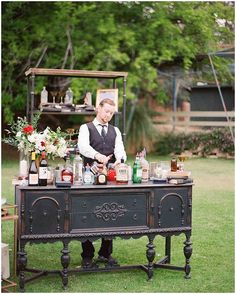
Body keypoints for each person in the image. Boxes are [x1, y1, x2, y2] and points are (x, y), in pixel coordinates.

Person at [78, 98, 127, 268]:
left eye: (111, 113)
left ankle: (106, 253)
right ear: (98, 109)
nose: (108, 115)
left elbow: (119, 149)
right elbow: (83, 147)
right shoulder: (86, 128)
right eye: (106, 111)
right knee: (87, 215)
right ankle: (87, 255)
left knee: (111, 213)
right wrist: (98, 156)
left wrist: (119, 159)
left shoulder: (115, 130)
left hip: (109, 177)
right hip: (89, 176)